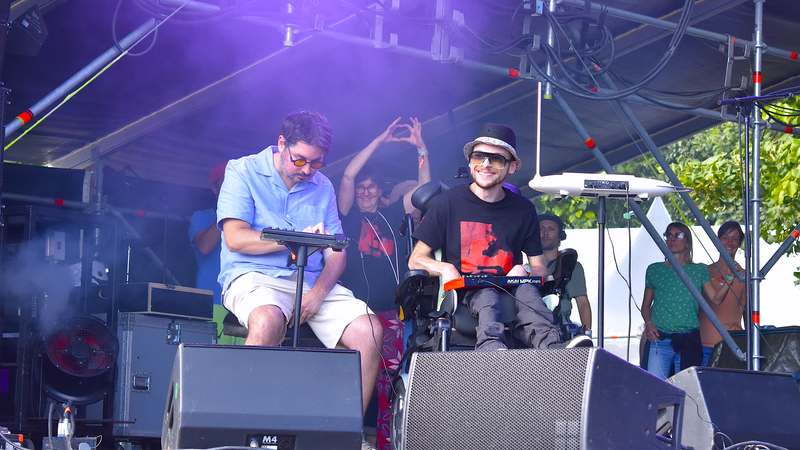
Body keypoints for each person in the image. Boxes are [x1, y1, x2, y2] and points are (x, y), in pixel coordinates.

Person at [216, 110, 382, 450]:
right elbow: (235, 237)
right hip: (253, 277)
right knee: (266, 321)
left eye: (316, 163)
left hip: (310, 283)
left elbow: (337, 252)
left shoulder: (323, 186)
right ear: (281, 144)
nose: (308, 170)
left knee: (371, 330)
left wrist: (319, 293)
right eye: (300, 160)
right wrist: (292, 238)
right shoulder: (243, 170)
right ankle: (244, 433)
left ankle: (346, 436)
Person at [408, 123, 592, 351]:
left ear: (511, 167)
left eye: (495, 159)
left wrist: (525, 270)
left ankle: (553, 348)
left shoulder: (523, 209)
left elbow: (539, 269)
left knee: (528, 292)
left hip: (513, 288)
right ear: (470, 161)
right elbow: (415, 259)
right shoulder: (449, 202)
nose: (485, 164)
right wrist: (445, 268)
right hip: (467, 291)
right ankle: (491, 347)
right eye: (479, 157)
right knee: (486, 294)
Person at [337, 118, 429, 450]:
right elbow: (348, 175)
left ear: (380, 190)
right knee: (350, 379)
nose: (364, 191)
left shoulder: (391, 219)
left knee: (389, 385)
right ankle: (346, 438)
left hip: (390, 313)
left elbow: (423, 193)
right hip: (353, 313)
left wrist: (421, 149)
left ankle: (386, 446)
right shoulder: (347, 216)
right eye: (361, 187)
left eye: (371, 187)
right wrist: (380, 140)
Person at [641, 222, 731, 379]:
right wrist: (648, 323)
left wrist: (730, 280)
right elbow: (645, 306)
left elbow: (716, 299)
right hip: (660, 339)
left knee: (688, 391)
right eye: (669, 235)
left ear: (688, 242)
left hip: (689, 339)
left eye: (678, 235)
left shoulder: (699, 270)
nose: (672, 239)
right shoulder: (655, 270)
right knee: (656, 387)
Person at [188, 162, 245, 345]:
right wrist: (228, 211)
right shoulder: (202, 216)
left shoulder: (248, 216)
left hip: (244, 303)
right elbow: (204, 247)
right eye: (227, 183)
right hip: (211, 302)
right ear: (214, 189)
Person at [698, 221, 746, 366]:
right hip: (704, 344)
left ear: (739, 243)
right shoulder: (704, 271)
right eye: (725, 237)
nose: (729, 242)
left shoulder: (745, 276)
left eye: (735, 239)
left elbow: (747, 313)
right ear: (718, 240)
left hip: (731, 345)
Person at [538, 214, 592, 335]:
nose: (545, 233)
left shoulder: (571, 266)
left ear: (560, 235)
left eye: (551, 229)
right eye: (541, 229)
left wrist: (587, 333)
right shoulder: (526, 269)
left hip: (560, 330)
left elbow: (582, 303)